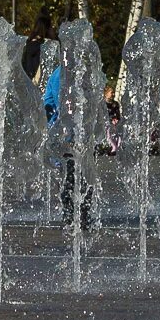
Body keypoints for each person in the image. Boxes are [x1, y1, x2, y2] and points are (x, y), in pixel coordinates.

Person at [43, 65, 94, 230]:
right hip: (64, 134)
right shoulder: (62, 74)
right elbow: (64, 107)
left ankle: (82, 215)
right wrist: (70, 137)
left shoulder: (78, 71)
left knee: (83, 176)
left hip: (77, 134)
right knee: (70, 175)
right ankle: (72, 216)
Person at [22, 7, 57, 84]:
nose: (53, 31)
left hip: (27, 83)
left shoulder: (28, 43)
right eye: (51, 28)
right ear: (46, 29)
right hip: (38, 84)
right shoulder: (45, 46)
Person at [103, 85, 120, 155]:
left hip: (115, 124)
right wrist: (111, 120)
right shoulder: (103, 104)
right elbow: (103, 115)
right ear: (106, 93)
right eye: (111, 92)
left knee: (119, 137)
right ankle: (113, 148)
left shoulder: (115, 104)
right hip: (107, 125)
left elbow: (118, 114)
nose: (113, 94)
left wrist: (117, 119)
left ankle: (116, 148)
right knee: (109, 135)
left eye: (114, 93)